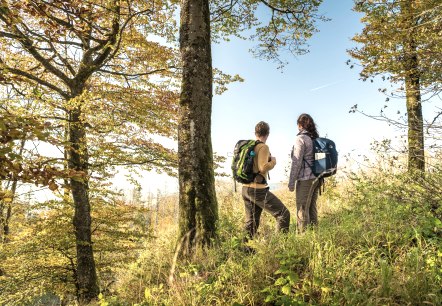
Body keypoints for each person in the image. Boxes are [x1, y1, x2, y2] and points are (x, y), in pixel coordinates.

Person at [242, 121, 290, 244]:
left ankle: (246, 250)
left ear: (255, 133)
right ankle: (280, 247)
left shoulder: (250, 146)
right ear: (267, 134)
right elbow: (263, 167)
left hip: (246, 189)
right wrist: (273, 161)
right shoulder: (263, 147)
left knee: (251, 222)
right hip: (257, 189)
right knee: (283, 214)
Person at [288, 113, 322, 233]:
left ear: (300, 125)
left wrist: (291, 182)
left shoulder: (300, 139)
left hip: (305, 179)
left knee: (302, 210)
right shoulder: (315, 139)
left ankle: (303, 240)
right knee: (312, 209)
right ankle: (314, 236)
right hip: (317, 178)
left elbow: (296, 162)